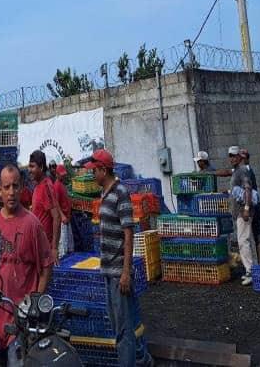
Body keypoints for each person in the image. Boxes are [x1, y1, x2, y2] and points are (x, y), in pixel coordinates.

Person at [0, 165, 53, 360]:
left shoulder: (32, 224)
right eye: (6, 187)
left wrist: (35, 303)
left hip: (22, 323)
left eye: (15, 186)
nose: (11, 192)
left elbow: (46, 267)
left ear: (22, 187)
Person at [87, 148, 152, 367]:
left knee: (122, 330)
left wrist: (126, 271)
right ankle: (143, 360)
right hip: (108, 270)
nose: (91, 174)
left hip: (118, 272)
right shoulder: (104, 194)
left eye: (94, 170)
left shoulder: (120, 192)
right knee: (126, 322)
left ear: (103, 170)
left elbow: (128, 232)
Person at [229, 146, 257, 285]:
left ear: (240, 158)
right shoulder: (236, 172)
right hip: (239, 212)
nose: (232, 158)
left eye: (234, 156)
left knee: (243, 241)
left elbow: (248, 188)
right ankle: (251, 269)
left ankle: (250, 271)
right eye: (230, 156)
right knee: (245, 240)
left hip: (243, 212)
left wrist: (246, 208)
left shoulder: (242, 171)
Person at [28, 150, 60, 264]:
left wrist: (54, 248)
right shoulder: (38, 186)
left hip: (45, 248)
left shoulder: (46, 186)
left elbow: (56, 217)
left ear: (41, 167)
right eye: (29, 166)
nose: (29, 170)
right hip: (37, 245)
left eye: (32, 167)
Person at [241, 148, 260, 263]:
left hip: (252, 207)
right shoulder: (248, 170)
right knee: (257, 234)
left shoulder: (245, 172)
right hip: (255, 205)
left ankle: (257, 263)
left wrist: (246, 208)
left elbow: (247, 190)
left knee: (252, 236)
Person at [53, 164, 74, 259]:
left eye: (64, 174)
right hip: (62, 220)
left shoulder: (62, 185)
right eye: (62, 174)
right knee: (63, 247)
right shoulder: (56, 185)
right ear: (57, 174)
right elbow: (55, 203)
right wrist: (62, 216)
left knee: (69, 245)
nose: (64, 176)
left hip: (67, 218)